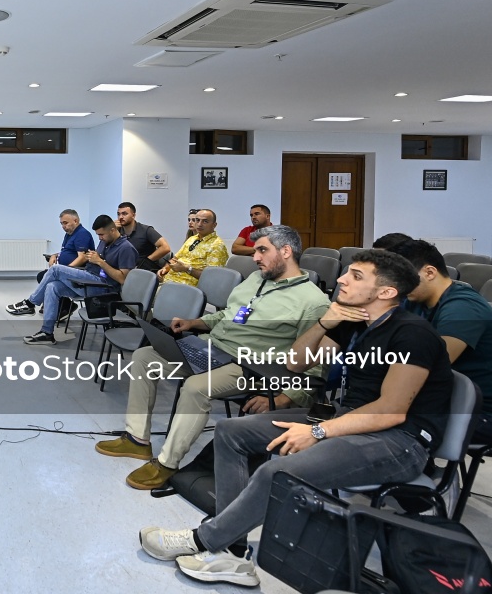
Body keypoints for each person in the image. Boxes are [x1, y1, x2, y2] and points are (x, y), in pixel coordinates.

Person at [139, 250, 454, 587]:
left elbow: (391, 409)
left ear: (387, 292)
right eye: (347, 272)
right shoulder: (354, 321)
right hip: (350, 418)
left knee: (278, 471)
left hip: (400, 440)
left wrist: (318, 431)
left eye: (356, 276)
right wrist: (325, 322)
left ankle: (206, 541)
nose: (342, 279)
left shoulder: (413, 334)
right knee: (231, 432)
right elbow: (296, 364)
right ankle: (232, 550)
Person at [97, 226, 328, 490]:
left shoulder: (313, 301)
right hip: (212, 347)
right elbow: (228, 314)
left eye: (262, 250)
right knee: (144, 357)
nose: (255, 257)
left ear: (286, 251)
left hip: (249, 367)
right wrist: (195, 322)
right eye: (255, 251)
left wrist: (285, 398)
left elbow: (317, 365)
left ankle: (167, 463)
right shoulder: (257, 279)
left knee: (196, 387)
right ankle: (137, 440)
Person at [393, 239, 492, 445]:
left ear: (429, 272)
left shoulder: (463, 307)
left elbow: (431, 365)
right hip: (450, 401)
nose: (397, 286)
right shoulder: (415, 300)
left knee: (385, 419)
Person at [6, 214, 137, 346]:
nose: (100, 238)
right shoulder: (106, 242)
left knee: (55, 270)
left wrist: (100, 262)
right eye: (98, 235)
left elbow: (123, 279)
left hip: (104, 289)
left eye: (101, 235)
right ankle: (47, 333)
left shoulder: (126, 248)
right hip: (90, 279)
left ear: (112, 230)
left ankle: (30, 304)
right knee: (52, 287)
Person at [159, 209, 228, 286]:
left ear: (214, 225)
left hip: (187, 287)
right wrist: (165, 268)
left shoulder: (217, 246)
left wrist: (187, 269)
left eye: (205, 221)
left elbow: (212, 277)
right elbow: (175, 259)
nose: (199, 224)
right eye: (197, 220)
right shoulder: (192, 239)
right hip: (168, 281)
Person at [116, 201, 170, 271]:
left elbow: (165, 247)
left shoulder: (146, 230)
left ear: (133, 215)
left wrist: (145, 262)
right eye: (118, 214)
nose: (120, 217)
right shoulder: (117, 232)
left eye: (124, 214)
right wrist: (113, 231)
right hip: (123, 269)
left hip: (142, 271)